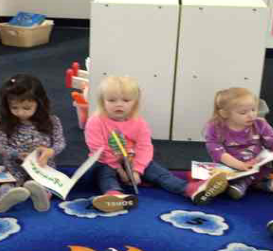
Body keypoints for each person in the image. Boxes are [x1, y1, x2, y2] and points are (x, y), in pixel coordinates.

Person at [86, 76, 228, 213]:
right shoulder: (95, 121)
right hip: (107, 162)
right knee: (105, 174)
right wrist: (121, 171)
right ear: (102, 102)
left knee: (158, 172)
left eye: (126, 100)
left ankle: (190, 189)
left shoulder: (139, 123)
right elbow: (98, 150)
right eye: (112, 100)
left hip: (131, 160)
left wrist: (136, 170)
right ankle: (114, 195)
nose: (119, 104)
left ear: (135, 102)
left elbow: (144, 147)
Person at [204, 87, 273, 200]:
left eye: (253, 109)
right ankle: (251, 183)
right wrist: (240, 165)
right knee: (221, 174)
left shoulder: (260, 124)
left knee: (269, 165)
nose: (251, 115)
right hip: (231, 164)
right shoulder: (215, 127)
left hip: (255, 163)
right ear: (224, 113)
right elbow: (217, 152)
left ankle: (246, 183)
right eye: (243, 112)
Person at [0, 74, 64, 213]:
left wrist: (50, 151)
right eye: (14, 108)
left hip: (41, 166)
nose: (20, 112)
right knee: (8, 184)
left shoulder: (52, 121)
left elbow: (60, 143)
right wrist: (17, 154)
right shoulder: (2, 121)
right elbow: (0, 146)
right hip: (14, 166)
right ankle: (7, 197)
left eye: (26, 108)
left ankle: (41, 196)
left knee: (43, 184)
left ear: (39, 103)